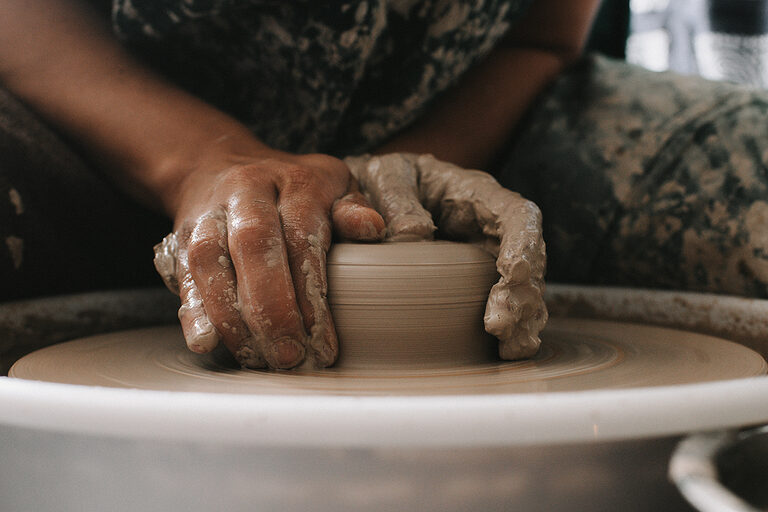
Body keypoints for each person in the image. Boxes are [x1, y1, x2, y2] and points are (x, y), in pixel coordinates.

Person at [2, 0, 767, 369]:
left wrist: (407, 169)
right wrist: (200, 159)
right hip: (96, 104)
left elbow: (541, 36)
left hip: (472, 114)